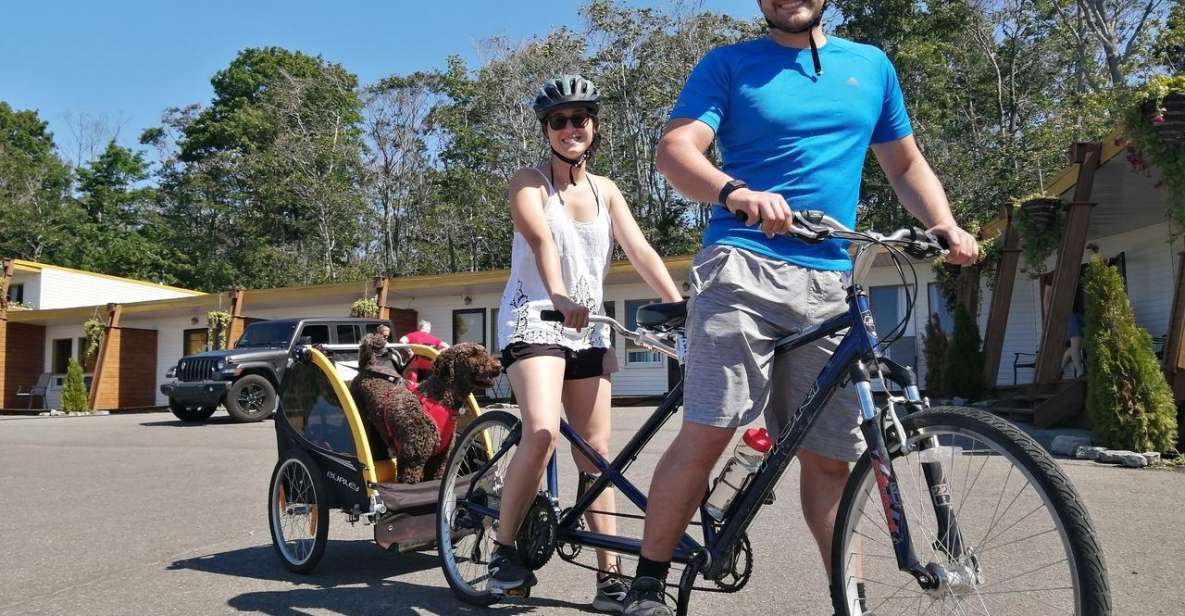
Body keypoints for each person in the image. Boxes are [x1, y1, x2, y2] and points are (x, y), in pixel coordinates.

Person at [620, 2, 980, 614]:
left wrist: (942, 223)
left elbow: (905, 161)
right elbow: (676, 149)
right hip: (743, 263)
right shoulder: (730, 65)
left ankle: (850, 600)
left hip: (831, 279)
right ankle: (647, 583)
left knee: (832, 456)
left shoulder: (870, 66)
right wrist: (735, 192)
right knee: (712, 427)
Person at [487, 74, 683, 613]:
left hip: (590, 326)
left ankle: (610, 576)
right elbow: (541, 238)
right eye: (559, 121)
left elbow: (639, 250)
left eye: (580, 119)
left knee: (597, 456)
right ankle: (504, 553)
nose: (571, 128)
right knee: (544, 430)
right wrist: (558, 293)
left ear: (594, 127)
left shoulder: (607, 190)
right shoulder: (528, 181)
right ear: (546, 130)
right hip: (537, 317)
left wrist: (677, 305)